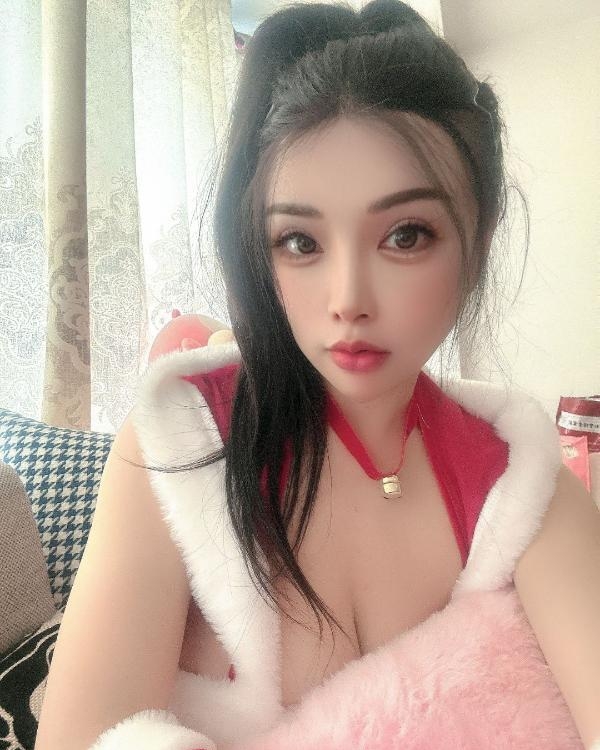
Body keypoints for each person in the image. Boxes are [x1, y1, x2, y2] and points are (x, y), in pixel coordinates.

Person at [34, 1, 600, 749]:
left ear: (480, 235)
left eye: (406, 235)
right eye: (300, 241)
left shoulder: (517, 481)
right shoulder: (183, 443)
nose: (347, 300)